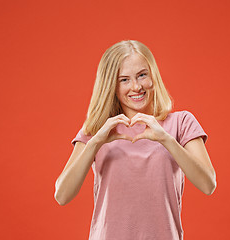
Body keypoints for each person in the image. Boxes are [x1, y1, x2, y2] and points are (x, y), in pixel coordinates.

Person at [54, 40, 217, 240]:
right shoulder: (99, 129)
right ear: (111, 85)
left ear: (153, 76)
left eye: (142, 75)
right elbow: (62, 195)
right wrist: (95, 143)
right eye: (124, 80)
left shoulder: (181, 123)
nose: (136, 86)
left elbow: (208, 184)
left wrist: (166, 140)